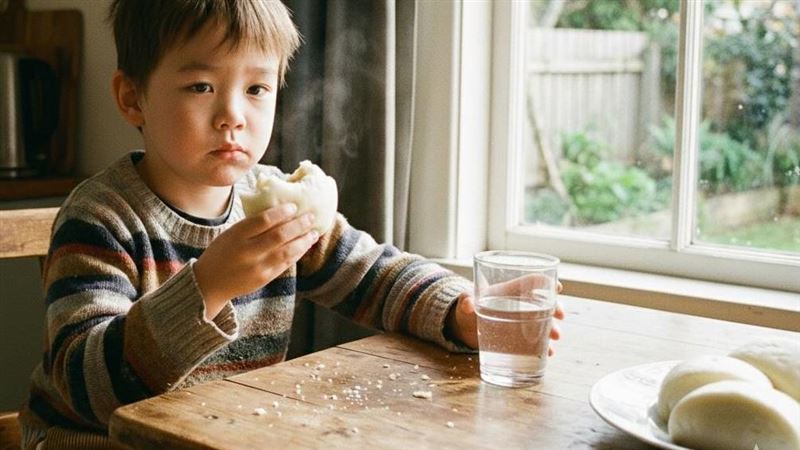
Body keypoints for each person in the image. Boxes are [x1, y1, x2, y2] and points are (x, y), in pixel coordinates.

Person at [19, 1, 562, 448]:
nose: (234, 113)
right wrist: (209, 286)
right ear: (132, 97)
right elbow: (85, 385)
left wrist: (459, 309)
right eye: (201, 87)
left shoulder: (269, 199)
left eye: (257, 89)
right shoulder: (101, 219)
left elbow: (372, 273)